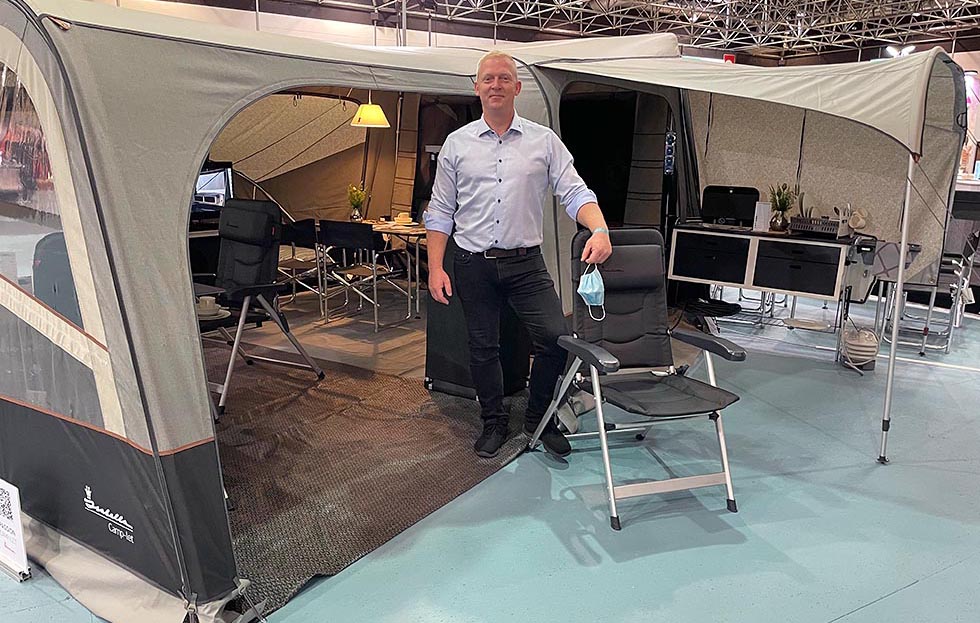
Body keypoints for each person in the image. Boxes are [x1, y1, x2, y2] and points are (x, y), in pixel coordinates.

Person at [424, 50, 613, 459]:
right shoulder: (457, 145)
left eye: (504, 78)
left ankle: (538, 418)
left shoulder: (543, 142)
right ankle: (493, 421)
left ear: (517, 87)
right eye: (488, 78)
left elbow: (575, 192)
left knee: (556, 339)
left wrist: (598, 229)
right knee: (482, 347)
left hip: (526, 263)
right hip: (472, 262)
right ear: (477, 87)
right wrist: (435, 267)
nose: (496, 84)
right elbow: (439, 210)